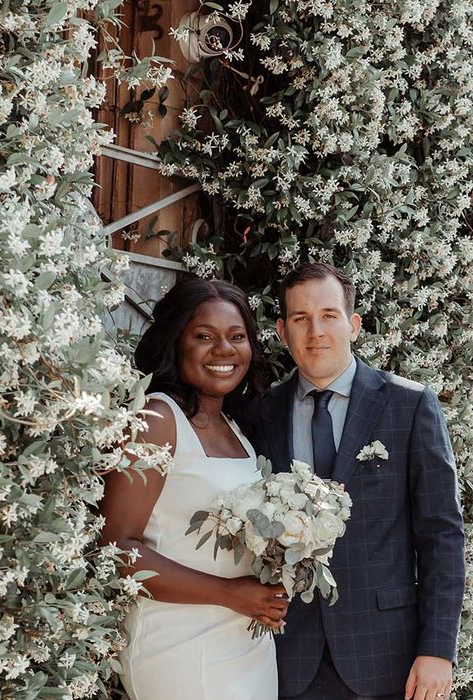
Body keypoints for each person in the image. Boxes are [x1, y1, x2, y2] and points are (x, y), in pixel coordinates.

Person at [238, 263, 465, 700]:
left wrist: (438, 650)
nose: (315, 331)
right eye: (301, 319)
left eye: (329, 315)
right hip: (287, 655)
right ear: (283, 333)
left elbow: (442, 533)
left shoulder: (409, 406)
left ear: (354, 325)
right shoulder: (259, 415)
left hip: (386, 656)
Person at [99, 278, 289, 700]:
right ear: (175, 342)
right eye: (204, 336)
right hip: (178, 643)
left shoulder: (236, 429)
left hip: (246, 640)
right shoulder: (155, 420)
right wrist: (229, 593)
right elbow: (116, 547)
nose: (224, 350)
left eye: (236, 337)